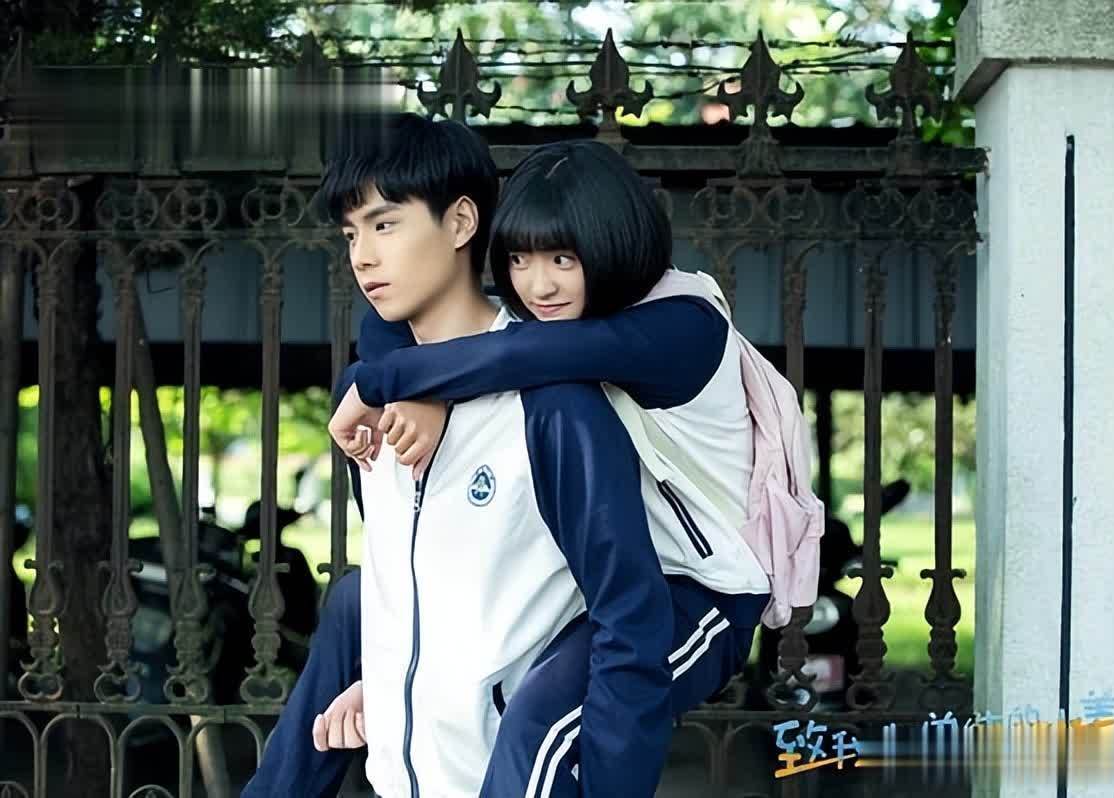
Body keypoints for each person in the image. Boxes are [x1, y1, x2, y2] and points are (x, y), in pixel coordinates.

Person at [245, 131, 772, 798]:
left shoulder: (659, 338)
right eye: (351, 234)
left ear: (462, 222)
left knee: (541, 717)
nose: (362, 256)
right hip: (422, 765)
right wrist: (395, 681)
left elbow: (519, 355)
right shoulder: (405, 384)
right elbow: (420, 571)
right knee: (355, 599)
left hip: (702, 586)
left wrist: (399, 380)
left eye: (385, 225)